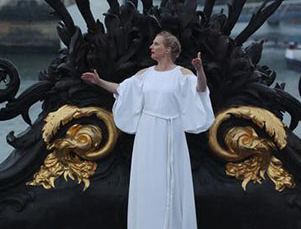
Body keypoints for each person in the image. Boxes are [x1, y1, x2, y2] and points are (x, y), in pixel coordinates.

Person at [81, 31, 214, 229]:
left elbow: (201, 90)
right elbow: (122, 89)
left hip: (171, 131)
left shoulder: (182, 74)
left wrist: (200, 70)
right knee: (147, 182)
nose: (151, 46)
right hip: (148, 132)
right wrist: (99, 82)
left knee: (170, 182)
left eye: (156, 43)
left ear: (168, 49)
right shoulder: (145, 74)